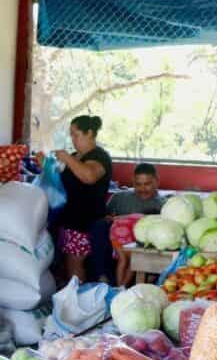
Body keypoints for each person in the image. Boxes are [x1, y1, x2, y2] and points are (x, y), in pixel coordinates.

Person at [47, 115, 112, 282]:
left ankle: (79, 302)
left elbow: (89, 176)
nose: (73, 139)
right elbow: (60, 180)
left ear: (90, 133)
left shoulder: (100, 157)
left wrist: (67, 158)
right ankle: (74, 300)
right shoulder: (76, 156)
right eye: (71, 135)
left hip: (86, 224)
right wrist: (45, 164)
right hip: (69, 221)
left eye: (76, 135)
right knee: (68, 268)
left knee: (76, 269)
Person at [103, 163, 166, 285]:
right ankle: (104, 278)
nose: (143, 189)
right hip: (118, 247)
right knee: (99, 227)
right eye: (138, 184)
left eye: (147, 184)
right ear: (133, 182)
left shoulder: (164, 205)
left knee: (137, 261)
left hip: (146, 252)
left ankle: (129, 285)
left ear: (157, 181)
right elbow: (106, 218)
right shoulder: (119, 198)